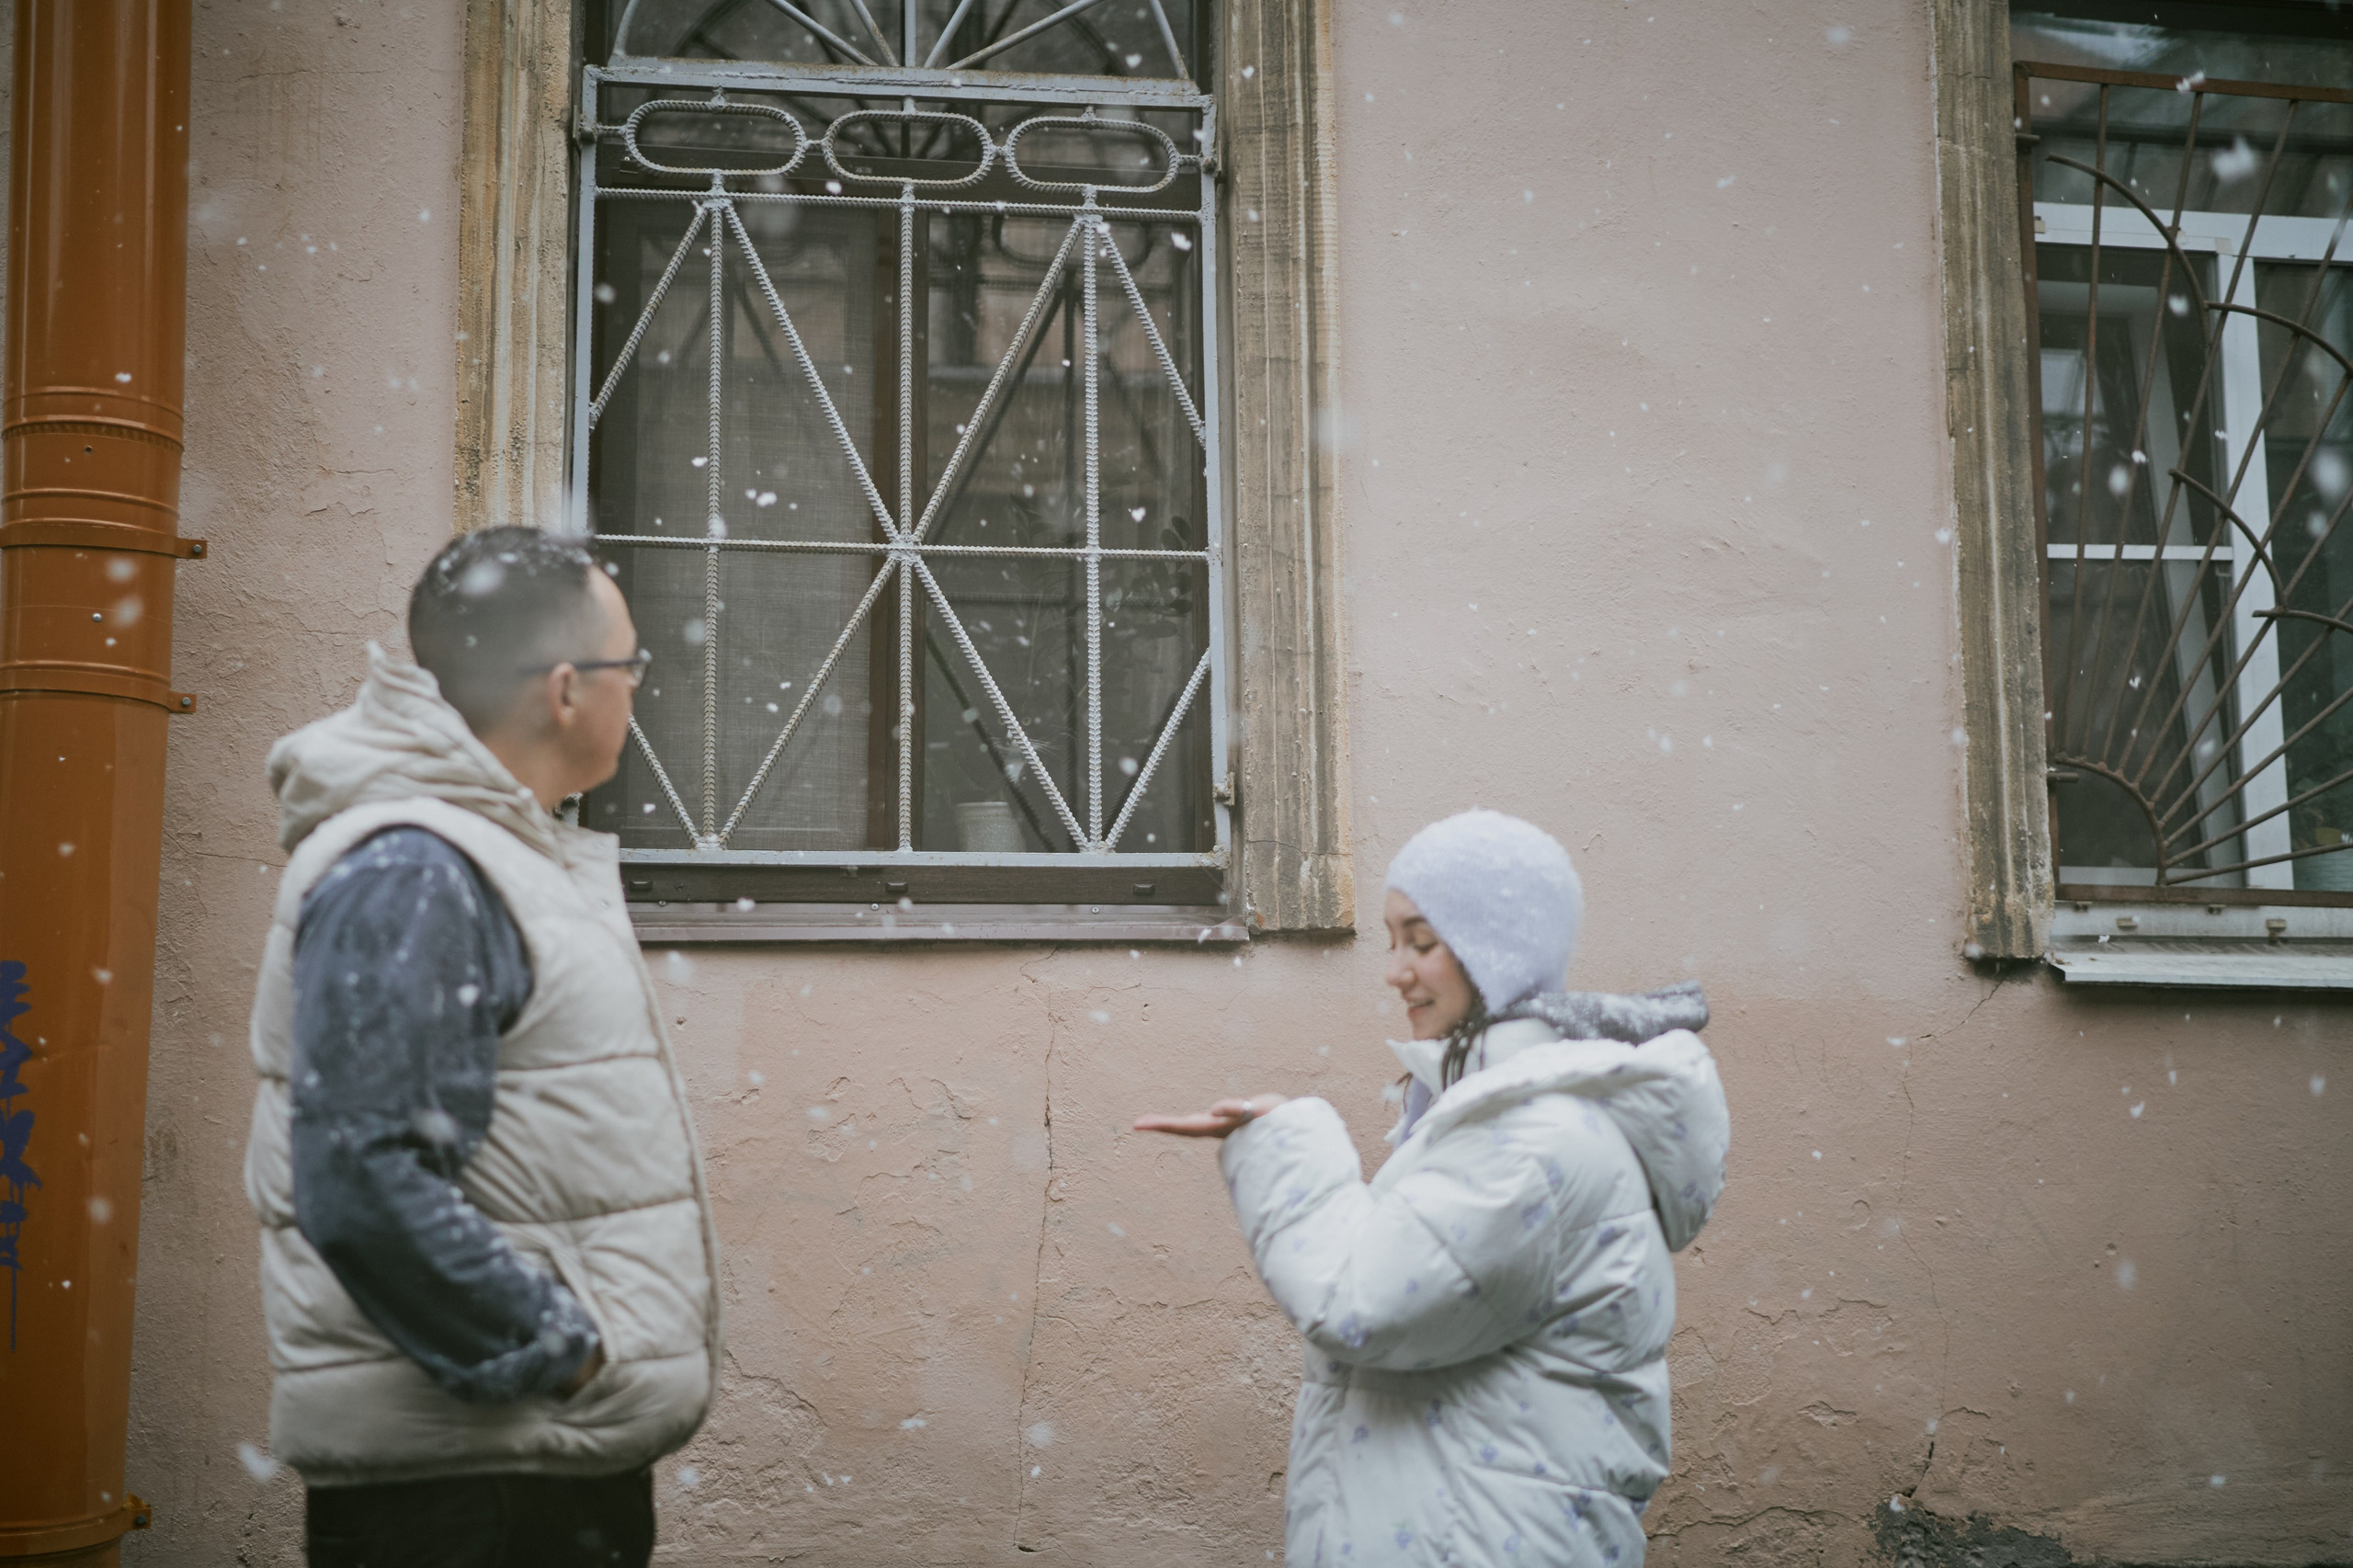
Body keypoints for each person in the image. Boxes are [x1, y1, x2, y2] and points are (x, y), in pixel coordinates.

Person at [241, 526, 720, 1567]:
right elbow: (363, 1178)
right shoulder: (416, 866)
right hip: (476, 1486)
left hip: (518, 1459)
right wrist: (561, 1348)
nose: (636, 690)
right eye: (628, 665)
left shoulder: (484, 852)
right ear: (563, 688)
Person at [1137, 809, 1729, 1567]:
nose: (1394, 970)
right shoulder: (1503, 1118)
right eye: (1392, 942)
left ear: (1496, 951)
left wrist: (1292, 1143)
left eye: (1421, 941)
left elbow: (1357, 1303)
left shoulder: (1531, 1141)